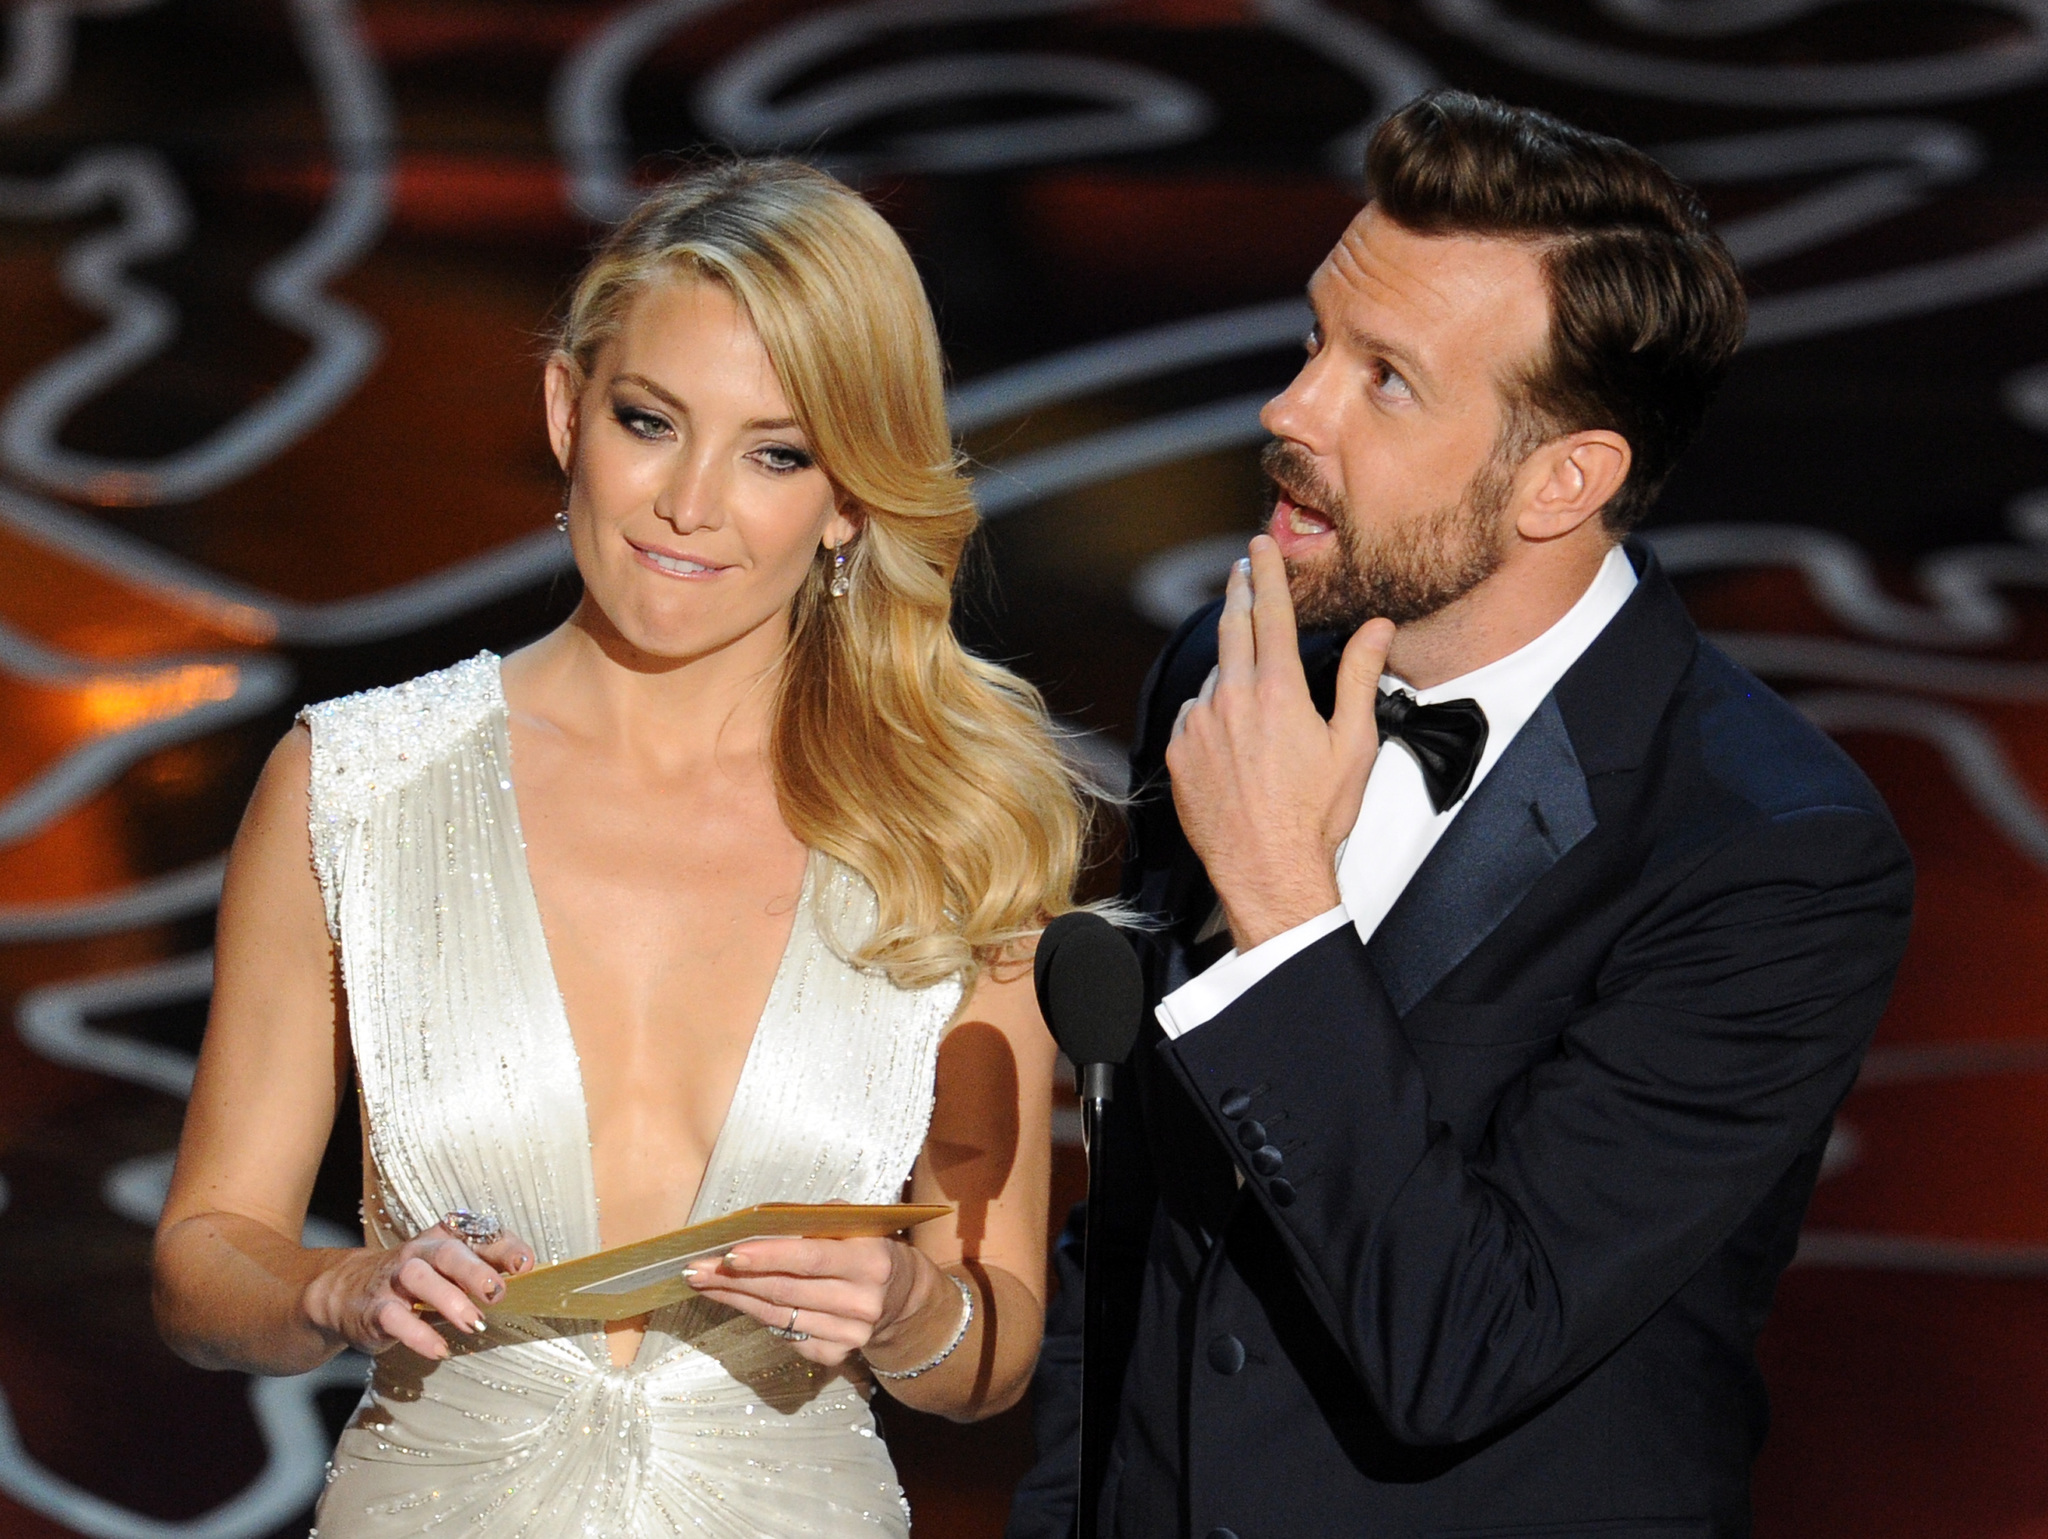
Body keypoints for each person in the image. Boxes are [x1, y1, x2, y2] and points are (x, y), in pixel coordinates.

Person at [1009, 91, 1914, 1539]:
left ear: (1565, 479)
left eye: (1387, 382)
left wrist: (1282, 905)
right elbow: (1134, 1238)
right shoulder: (1230, 672)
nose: (1289, 409)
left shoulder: (1773, 853)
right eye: (1317, 341)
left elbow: (1466, 1343)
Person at [154, 159, 1086, 1538]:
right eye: (651, 421)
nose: (689, 503)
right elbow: (198, 1265)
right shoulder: (351, 787)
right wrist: (334, 1289)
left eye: (777, 452)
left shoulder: (960, 830)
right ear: (566, 411)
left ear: (848, 503)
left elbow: (991, 1358)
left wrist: (910, 1310)